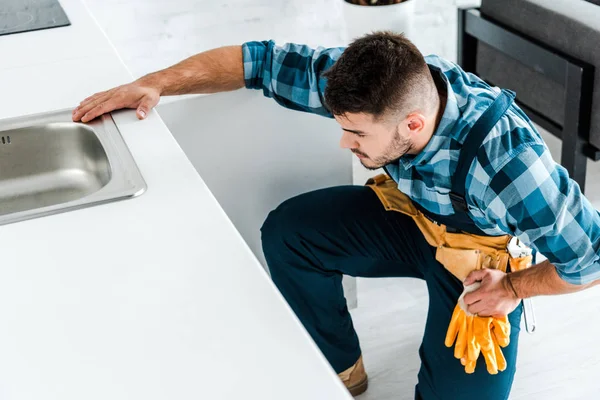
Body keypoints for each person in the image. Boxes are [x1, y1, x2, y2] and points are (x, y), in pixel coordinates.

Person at [72, 32, 600, 399]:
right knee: (290, 232)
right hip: (409, 218)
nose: (345, 144)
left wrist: (513, 289)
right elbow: (253, 61)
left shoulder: (508, 162)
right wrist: (157, 81)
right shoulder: (377, 84)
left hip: (475, 262)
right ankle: (341, 371)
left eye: (357, 134)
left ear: (412, 125)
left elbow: (590, 259)